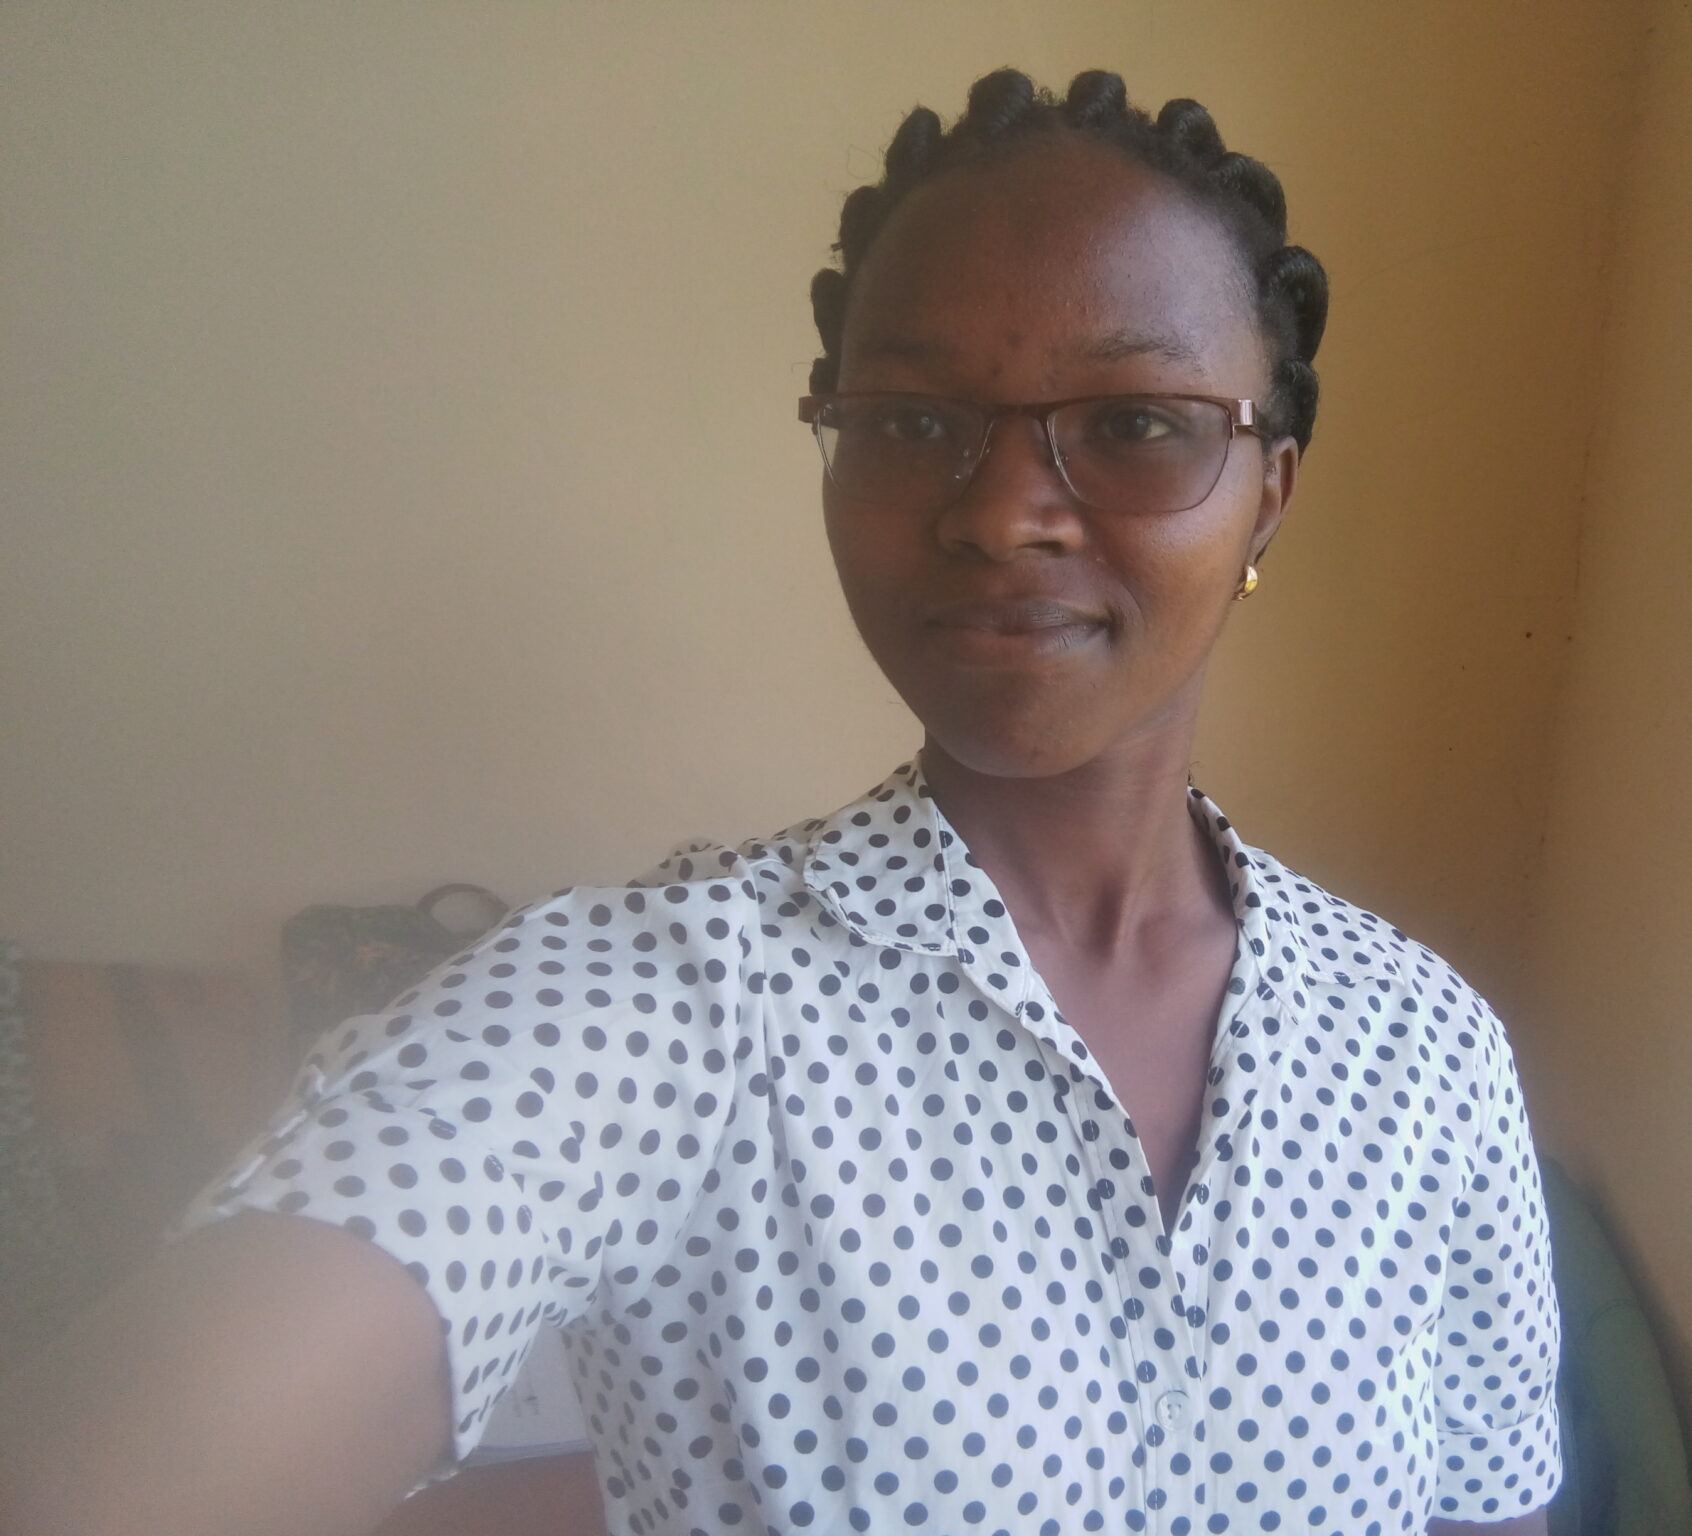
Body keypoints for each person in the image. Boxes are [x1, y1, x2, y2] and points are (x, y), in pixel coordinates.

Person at [0, 68, 1558, 1536]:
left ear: (1270, 488)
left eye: (1137, 423)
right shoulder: (673, 1007)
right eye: (913, 423)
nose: (1005, 513)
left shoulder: (1427, 1055)